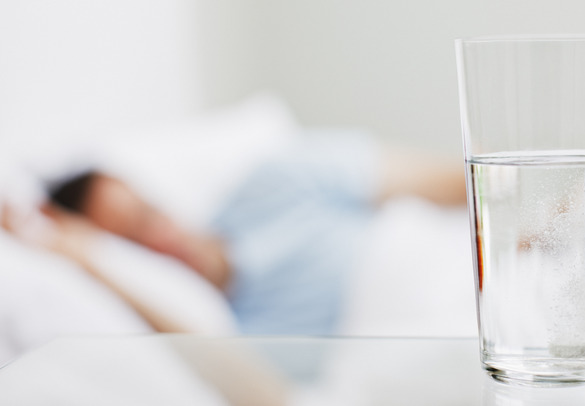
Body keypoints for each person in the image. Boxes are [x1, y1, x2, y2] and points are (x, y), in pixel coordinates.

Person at [4, 133, 466, 335]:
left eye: (146, 215)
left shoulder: (275, 183)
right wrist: (80, 256)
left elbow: (456, 183)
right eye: (132, 243)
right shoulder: (234, 332)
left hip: (471, 259)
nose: (158, 240)